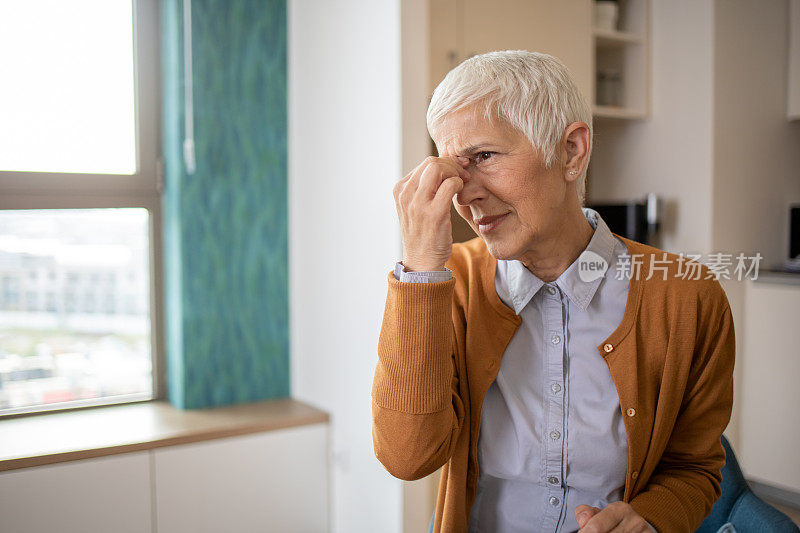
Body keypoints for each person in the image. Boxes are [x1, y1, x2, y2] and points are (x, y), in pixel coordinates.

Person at [371, 50, 735, 533]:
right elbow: (406, 457)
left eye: (483, 156)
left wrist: (649, 517)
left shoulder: (689, 298)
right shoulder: (444, 285)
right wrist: (419, 270)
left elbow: (695, 468)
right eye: (454, 171)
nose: (465, 195)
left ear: (570, 151)